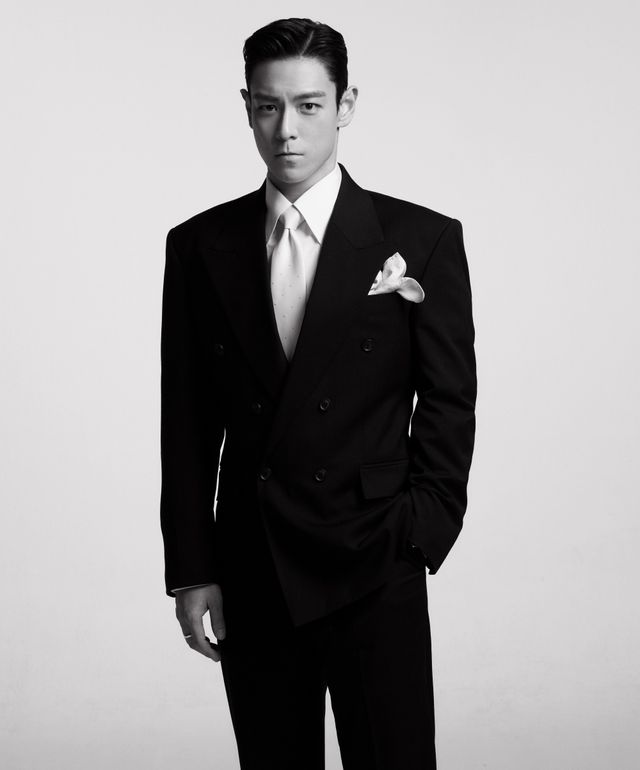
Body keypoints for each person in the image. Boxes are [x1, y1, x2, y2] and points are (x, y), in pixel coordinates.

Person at [160, 17, 477, 770]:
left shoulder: (420, 240)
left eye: (308, 105)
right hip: (253, 561)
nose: (287, 130)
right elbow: (187, 420)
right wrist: (193, 568)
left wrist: (422, 529)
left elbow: (449, 399)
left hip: (375, 553)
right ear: (246, 107)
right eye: (269, 106)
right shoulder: (200, 245)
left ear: (346, 104)